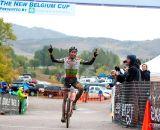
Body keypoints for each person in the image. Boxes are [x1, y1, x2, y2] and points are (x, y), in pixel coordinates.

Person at [48, 45, 98, 122]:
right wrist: (51, 53)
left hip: (74, 80)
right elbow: (54, 60)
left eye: (75, 53)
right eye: (72, 52)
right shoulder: (64, 59)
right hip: (66, 80)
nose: (74, 54)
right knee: (65, 99)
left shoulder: (78, 60)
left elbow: (89, 63)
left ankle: (74, 102)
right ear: (69, 53)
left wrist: (94, 57)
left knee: (81, 88)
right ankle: (63, 116)